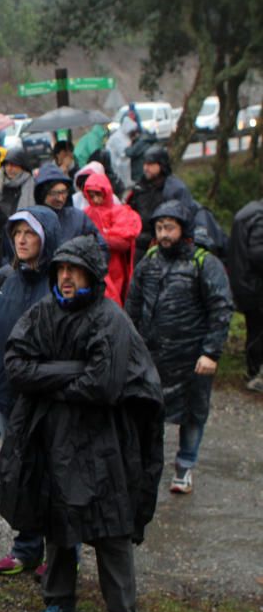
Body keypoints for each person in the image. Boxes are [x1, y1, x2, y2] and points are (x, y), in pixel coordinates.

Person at [0, 235, 164, 612]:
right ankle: (58, 602)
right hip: (54, 439)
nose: (66, 277)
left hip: (103, 442)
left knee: (111, 528)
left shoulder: (110, 319)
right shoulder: (43, 313)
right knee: (58, 523)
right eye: (61, 269)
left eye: (74, 270)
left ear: (91, 274)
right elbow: (16, 365)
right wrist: (71, 370)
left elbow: (104, 384)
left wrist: (48, 377)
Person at [0, 207, 62, 576]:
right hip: (9, 396)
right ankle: (26, 548)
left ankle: (59, 554)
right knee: (19, 472)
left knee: (54, 474)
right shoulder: (3, 279)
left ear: (47, 237)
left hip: (49, 398)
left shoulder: (61, 281)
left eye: (31, 232)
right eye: (17, 233)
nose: (22, 240)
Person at [126, 200, 233, 494]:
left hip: (192, 358)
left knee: (193, 413)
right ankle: (147, 467)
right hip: (152, 356)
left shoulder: (204, 263)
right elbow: (133, 304)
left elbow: (221, 307)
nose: (164, 234)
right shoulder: (149, 260)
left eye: (169, 227)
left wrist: (211, 352)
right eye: (159, 227)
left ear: (183, 229)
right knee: (148, 411)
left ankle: (185, 467)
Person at [82, 172, 141, 306]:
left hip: (116, 268)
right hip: (94, 266)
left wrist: (98, 239)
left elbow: (123, 243)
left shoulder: (121, 212)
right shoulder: (86, 214)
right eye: (91, 196)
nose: (95, 200)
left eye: (98, 195)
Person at [128, 146, 195, 256]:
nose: (145, 168)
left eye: (150, 164)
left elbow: (186, 220)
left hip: (165, 244)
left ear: (161, 165)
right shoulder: (140, 187)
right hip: (139, 245)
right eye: (144, 164)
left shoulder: (176, 189)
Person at [228, 199, 263, 390]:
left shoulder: (249, 210)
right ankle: (256, 374)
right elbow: (258, 253)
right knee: (258, 331)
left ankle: (253, 371)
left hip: (244, 282)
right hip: (255, 285)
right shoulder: (259, 215)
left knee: (255, 329)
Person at [33, 163, 108, 252]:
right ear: (42, 194)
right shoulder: (33, 220)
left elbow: (101, 246)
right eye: (55, 194)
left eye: (64, 192)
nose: (61, 198)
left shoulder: (78, 217)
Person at [0, 148, 35, 265]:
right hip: (3, 237)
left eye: (14, 165)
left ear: (22, 166)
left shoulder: (31, 185)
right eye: (7, 164)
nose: (9, 168)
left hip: (24, 234)